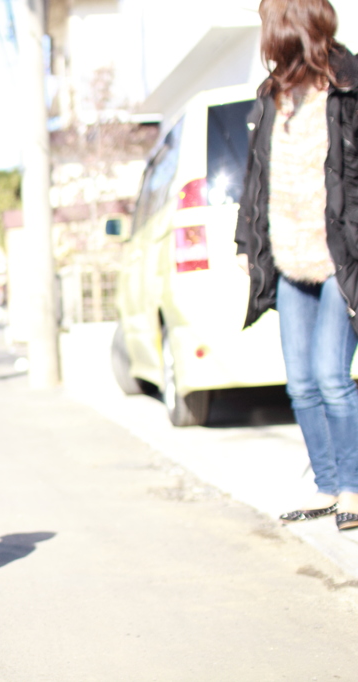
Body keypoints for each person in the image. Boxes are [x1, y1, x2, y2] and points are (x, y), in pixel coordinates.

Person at [235, 0, 358, 530]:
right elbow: (254, 180)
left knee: (333, 376)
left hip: (340, 257)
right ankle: (329, 487)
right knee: (301, 383)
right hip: (288, 256)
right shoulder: (271, 98)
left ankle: (354, 488)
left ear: (293, 32)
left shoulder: (350, 88)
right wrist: (247, 246)